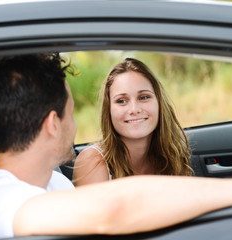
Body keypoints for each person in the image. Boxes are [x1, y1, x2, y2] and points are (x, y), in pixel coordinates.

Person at [0, 53, 232, 240]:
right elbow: (115, 208)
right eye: (71, 113)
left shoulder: (51, 184)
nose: (75, 126)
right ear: (54, 124)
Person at [73, 58, 192, 186]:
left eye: (144, 97)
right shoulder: (93, 162)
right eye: (121, 101)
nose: (134, 109)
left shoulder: (172, 154)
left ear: (159, 103)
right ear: (109, 110)